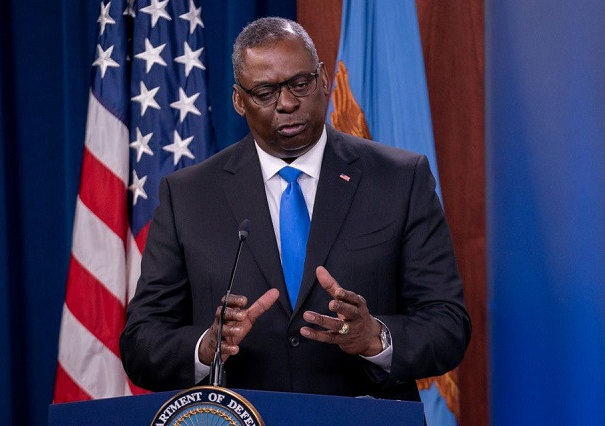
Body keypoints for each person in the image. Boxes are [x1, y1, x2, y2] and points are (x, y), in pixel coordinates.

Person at [120, 17, 471, 402]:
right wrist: (207, 346)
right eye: (265, 92)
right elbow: (141, 342)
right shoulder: (187, 195)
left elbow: (448, 325)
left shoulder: (401, 180)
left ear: (322, 78)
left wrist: (375, 337)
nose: (287, 103)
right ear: (240, 100)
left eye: (300, 84)